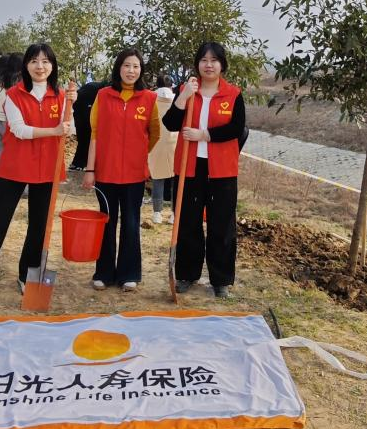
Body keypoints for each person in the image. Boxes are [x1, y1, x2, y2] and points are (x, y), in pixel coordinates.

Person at [0, 43, 75, 304]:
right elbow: (19, 130)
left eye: (45, 61)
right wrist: (54, 131)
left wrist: (70, 111)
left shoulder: (62, 96)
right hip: (16, 167)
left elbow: (69, 129)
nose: (40, 66)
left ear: (52, 66)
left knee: (39, 226)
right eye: (34, 61)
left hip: (47, 169)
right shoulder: (14, 95)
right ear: (26, 65)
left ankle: (28, 275)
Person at [162, 42, 246, 298]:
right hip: (189, 166)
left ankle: (220, 280)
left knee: (222, 224)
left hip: (222, 169)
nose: (209, 65)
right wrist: (183, 97)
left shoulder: (233, 94)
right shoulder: (187, 89)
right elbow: (170, 123)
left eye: (214, 60)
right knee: (188, 221)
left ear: (222, 65)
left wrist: (204, 135)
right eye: (204, 60)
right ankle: (187, 274)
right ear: (197, 63)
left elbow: (237, 128)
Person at [81, 49, 159, 292]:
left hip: (135, 174)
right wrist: (90, 169)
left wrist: (138, 154)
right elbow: (93, 134)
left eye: (136, 67)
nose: (131, 71)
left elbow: (154, 134)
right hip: (105, 172)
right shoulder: (103, 96)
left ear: (141, 71)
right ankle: (104, 273)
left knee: (131, 223)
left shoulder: (149, 98)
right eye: (127, 65)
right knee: (106, 221)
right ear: (118, 68)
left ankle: (129, 273)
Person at [148, 74, 179, 225]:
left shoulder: (150, 98)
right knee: (175, 180)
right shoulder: (177, 99)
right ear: (171, 85)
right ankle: (174, 214)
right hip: (175, 141)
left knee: (157, 179)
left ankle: (157, 213)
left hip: (155, 143)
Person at [70, 78, 109, 170]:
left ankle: (80, 163)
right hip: (83, 107)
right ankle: (79, 164)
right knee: (86, 136)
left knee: (88, 137)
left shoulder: (102, 88)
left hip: (85, 107)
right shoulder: (95, 89)